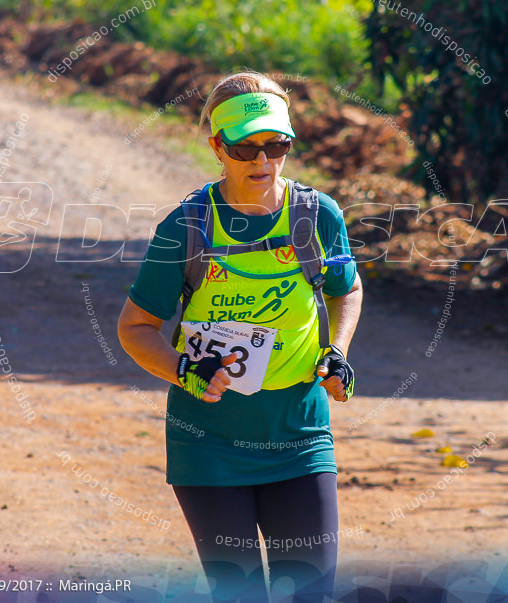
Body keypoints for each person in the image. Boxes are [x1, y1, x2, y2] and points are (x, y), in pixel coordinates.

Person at [117, 70, 363, 602]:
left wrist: (337, 352)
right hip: (208, 443)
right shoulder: (185, 227)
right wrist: (183, 369)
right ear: (216, 147)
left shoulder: (317, 216)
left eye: (277, 146)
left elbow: (349, 287)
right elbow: (135, 330)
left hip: (300, 435)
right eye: (245, 149)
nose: (263, 162)